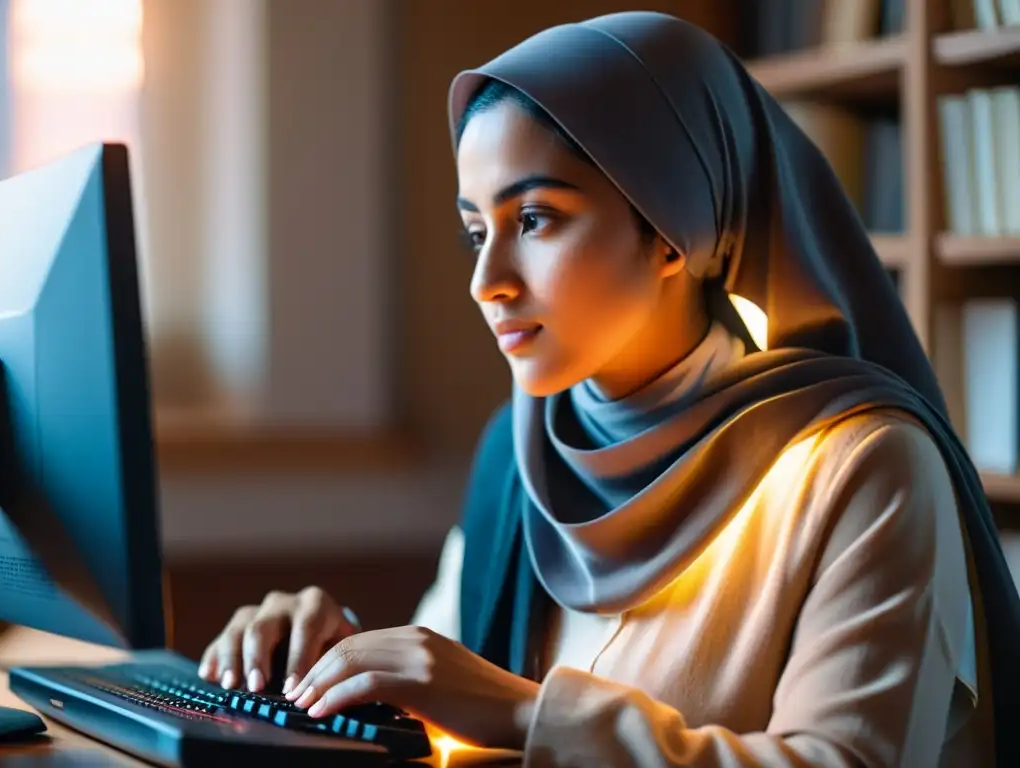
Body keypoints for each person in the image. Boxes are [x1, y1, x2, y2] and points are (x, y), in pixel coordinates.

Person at [198, 11, 1020, 766]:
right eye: (475, 232)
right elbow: (439, 696)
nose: (487, 281)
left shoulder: (862, 466)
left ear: (672, 226)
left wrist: (525, 714)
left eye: (534, 220)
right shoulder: (517, 458)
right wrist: (324, 664)